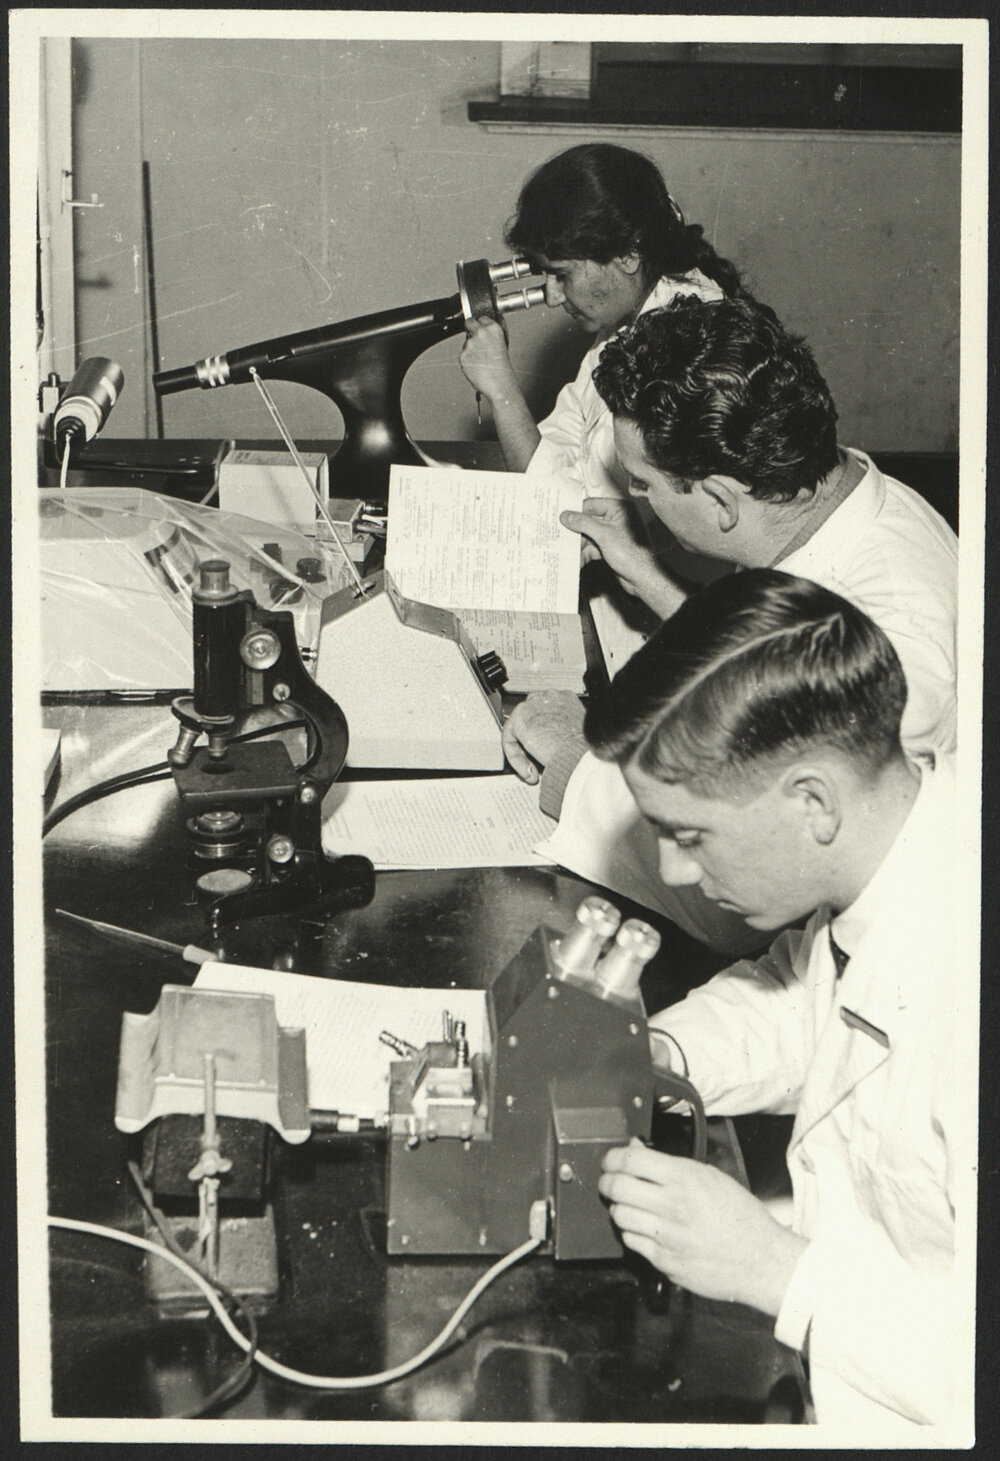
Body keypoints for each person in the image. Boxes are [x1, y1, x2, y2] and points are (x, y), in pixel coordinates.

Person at [588, 569, 965, 1431]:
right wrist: (657, 1059)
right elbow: (804, 1001)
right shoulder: (890, 853)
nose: (676, 870)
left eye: (691, 835)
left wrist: (775, 1270)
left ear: (812, 802)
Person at [502, 296, 957, 952]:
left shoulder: (895, 639)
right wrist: (648, 579)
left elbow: (733, 885)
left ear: (719, 499)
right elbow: (773, 659)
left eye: (642, 485)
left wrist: (574, 759)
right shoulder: (842, 495)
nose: (636, 502)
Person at [459, 143, 746, 491]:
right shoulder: (632, 321)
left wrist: (502, 393)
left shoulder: (684, 351)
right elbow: (561, 438)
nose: (552, 297)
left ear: (627, 255)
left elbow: (569, 516)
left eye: (562, 275)